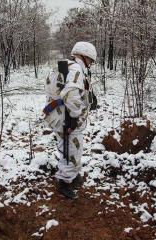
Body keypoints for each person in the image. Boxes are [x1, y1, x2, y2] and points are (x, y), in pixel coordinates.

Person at [55, 41, 97, 199]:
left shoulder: (70, 67)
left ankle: (71, 175)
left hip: (63, 116)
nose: (91, 64)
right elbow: (70, 94)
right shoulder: (76, 70)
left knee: (68, 148)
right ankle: (64, 182)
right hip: (69, 119)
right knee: (72, 150)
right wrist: (73, 118)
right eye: (91, 60)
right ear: (85, 56)